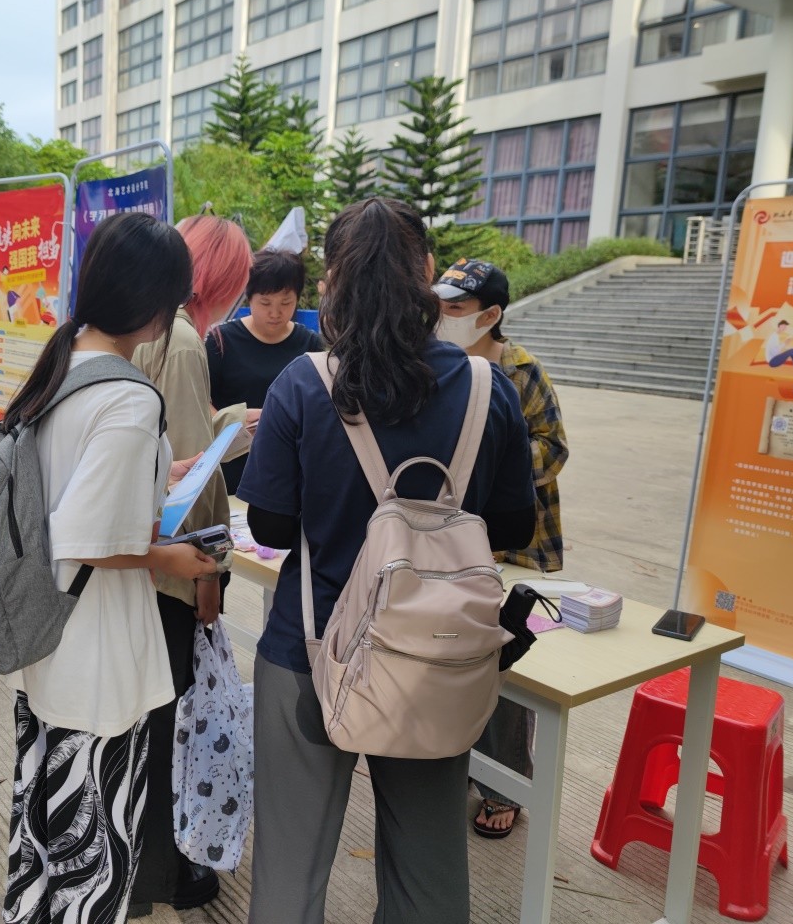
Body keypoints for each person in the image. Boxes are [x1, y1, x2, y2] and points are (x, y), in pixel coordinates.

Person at [238, 198, 536, 924]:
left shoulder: (302, 383)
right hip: (436, 655)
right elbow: (514, 524)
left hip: (310, 649)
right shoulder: (485, 387)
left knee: (289, 869)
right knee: (428, 870)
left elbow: (270, 525)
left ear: (331, 279)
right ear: (426, 271)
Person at [0, 212, 218, 924]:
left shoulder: (63, 362)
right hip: (96, 657)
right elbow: (89, 536)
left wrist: (159, 473)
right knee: (92, 868)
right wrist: (173, 557)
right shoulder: (127, 396)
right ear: (155, 304)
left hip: (48, 639)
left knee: (45, 845)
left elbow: (66, 486)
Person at [129, 214, 253, 917]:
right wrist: (208, 572)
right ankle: (172, 869)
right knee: (171, 725)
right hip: (173, 569)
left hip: (143, 564)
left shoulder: (150, 331)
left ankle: (155, 863)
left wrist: (228, 423)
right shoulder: (182, 342)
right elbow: (185, 477)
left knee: (153, 721)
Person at [433, 257, 569, 840]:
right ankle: (457, 760)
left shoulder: (522, 370)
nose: (443, 316)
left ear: (489, 316)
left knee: (506, 666)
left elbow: (554, 448)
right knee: (452, 655)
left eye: (455, 308)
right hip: (448, 540)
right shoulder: (435, 363)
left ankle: (504, 786)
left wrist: (494, 459)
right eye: (439, 305)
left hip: (511, 547)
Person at [206, 249, 323, 493]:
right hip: (231, 466)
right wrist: (234, 426)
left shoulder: (310, 344)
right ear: (249, 297)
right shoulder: (221, 341)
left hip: (288, 468)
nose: (275, 313)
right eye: (265, 303)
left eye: (286, 303)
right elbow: (201, 401)